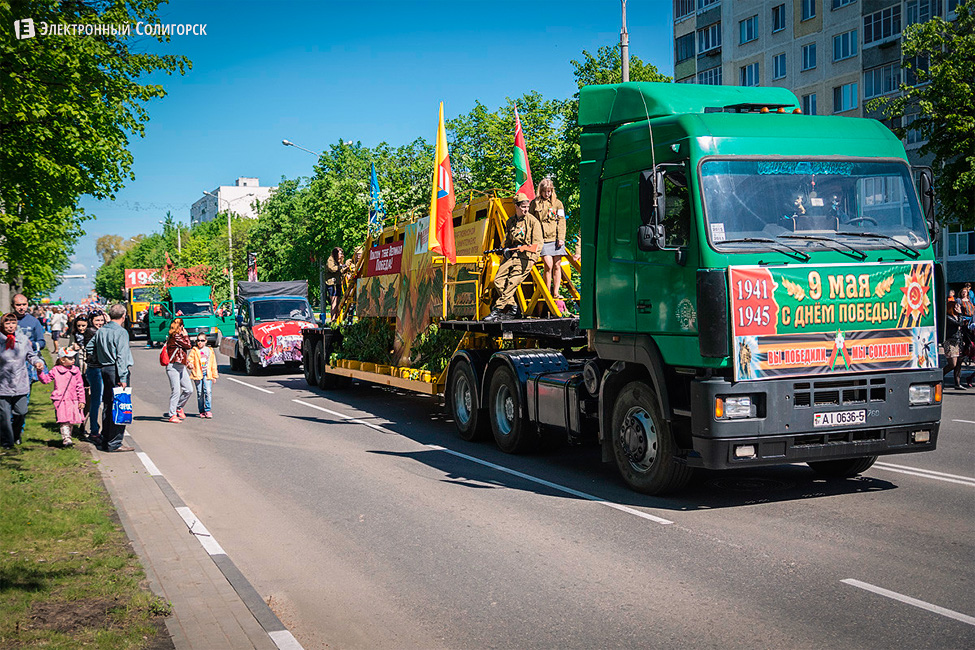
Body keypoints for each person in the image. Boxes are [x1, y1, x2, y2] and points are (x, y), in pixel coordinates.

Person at [484, 192, 543, 322]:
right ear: (516, 207)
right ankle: (514, 307)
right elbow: (509, 241)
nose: (526, 209)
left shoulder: (533, 222)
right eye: (523, 207)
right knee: (498, 281)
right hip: (513, 255)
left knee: (512, 282)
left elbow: (537, 245)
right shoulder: (510, 221)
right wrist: (506, 249)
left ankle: (497, 309)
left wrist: (528, 252)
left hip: (526, 257)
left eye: (527, 207)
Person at [0, 313, 48, 450]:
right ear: (2, 325)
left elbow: (31, 355)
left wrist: (37, 362)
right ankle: (7, 442)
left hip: (20, 381)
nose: (10, 326)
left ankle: (15, 435)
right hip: (3, 383)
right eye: (7, 323)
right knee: (4, 415)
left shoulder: (23, 339)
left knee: (20, 412)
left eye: (13, 323)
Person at [90, 304, 134, 452]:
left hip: (105, 368)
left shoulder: (101, 330)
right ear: (123, 316)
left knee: (108, 404)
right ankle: (115, 442)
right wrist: (122, 377)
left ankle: (106, 438)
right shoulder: (121, 332)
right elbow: (121, 356)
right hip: (117, 370)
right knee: (120, 405)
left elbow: (90, 347)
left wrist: (99, 358)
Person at [11, 294, 46, 444]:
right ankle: (8, 430)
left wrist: (33, 346)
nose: (21, 307)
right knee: (7, 399)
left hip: (27, 365)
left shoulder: (33, 322)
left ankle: (18, 431)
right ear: (13, 305)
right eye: (18, 305)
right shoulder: (8, 320)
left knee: (24, 398)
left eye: (24, 304)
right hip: (9, 365)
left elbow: (42, 341)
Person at [529, 178, 567, 311]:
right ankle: (547, 292)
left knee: (557, 265)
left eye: (549, 191)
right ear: (541, 191)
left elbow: (562, 221)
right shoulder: (535, 203)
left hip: (556, 239)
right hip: (542, 239)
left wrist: (561, 237)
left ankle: (555, 292)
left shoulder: (558, 203)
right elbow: (530, 221)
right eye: (545, 191)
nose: (547, 194)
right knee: (548, 265)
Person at [48, 348, 85, 447]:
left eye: (73, 357)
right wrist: (39, 372)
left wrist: (82, 400)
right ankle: (66, 439)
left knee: (71, 420)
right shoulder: (56, 370)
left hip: (73, 399)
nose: (73, 360)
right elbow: (46, 379)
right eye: (70, 358)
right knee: (64, 420)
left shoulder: (75, 370)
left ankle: (68, 436)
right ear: (62, 360)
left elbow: (80, 386)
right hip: (61, 399)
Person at [164, 318, 193, 423]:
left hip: (181, 366)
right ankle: (172, 414)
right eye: (182, 326)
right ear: (181, 326)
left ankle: (178, 407)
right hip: (173, 367)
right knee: (176, 391)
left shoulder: (177, 337)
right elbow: (188, 345)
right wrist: (185, 335)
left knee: (189, 389)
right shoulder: (176, 336)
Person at [83, 311, 106, 444]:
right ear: (91, 321)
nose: (100, 323)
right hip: (95, 369)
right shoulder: (91, 331)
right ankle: (93, 430)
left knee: (98, 400)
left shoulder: (98, 330)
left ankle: (92, 427)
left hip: (99, 368)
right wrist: (109, 324)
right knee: (96, 401)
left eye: (101, 320)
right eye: (97, 320)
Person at [187, 333, 218, 418]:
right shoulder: (194, 350)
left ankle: (207, 410)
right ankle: (201, 411)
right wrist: (190, 365)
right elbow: (190, 360)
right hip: (197, 373)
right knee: (200, 393)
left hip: (207, 374)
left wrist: (214, 376)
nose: (200, 342)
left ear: (206, 341)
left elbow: (213, 364)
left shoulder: (209, 350)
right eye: (198, 340)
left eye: (202, 340)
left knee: (207, 391)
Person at [943, 300, 971, 389]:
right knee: (952, 364)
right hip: (950, 341)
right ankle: (939, 377)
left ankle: (957, 383)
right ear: (953, 308)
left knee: (959, 364)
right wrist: (960, 314)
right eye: (957, 306)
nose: (959, 308)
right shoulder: (948, 317)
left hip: (958, 341)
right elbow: (959, 323)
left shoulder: (957, 316)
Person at [324, 247, 346, 321]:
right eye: (340, 253)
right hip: (332, 284)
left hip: (338, 283)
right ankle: (332, 319)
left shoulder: (339, 261)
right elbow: (332, 269)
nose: (341, 255)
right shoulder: (331, 260)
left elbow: (341, 271)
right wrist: (341, 266)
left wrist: (346, 267)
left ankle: (337, 318)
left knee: (338, 301)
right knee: (334, 301)